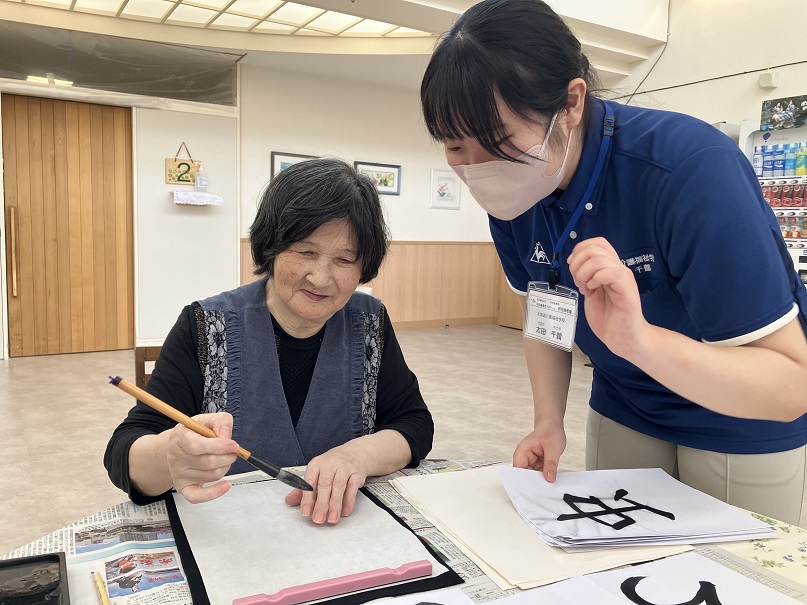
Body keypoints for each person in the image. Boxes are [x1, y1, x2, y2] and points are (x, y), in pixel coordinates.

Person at [420, 0, 807, 524]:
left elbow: (789, 386)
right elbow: (545, 315)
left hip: (739, 419)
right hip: (626, 403)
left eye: (500, 143)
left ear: (572, 102)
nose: (477, 170)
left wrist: (639, 340)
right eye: (455, 147)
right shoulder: (513, 196)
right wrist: (547, 419)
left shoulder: (688, 168)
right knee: (618, 568)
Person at [105, 158, 434, 525]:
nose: (322, 278)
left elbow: (414, 424)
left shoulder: (369, 322)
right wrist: (169, 454)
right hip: (232, 539)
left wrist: (359, 455)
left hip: (341, 537)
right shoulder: (206, 324)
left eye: (344, 260)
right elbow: (123, 454)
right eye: (306, 252)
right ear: (272, 247)